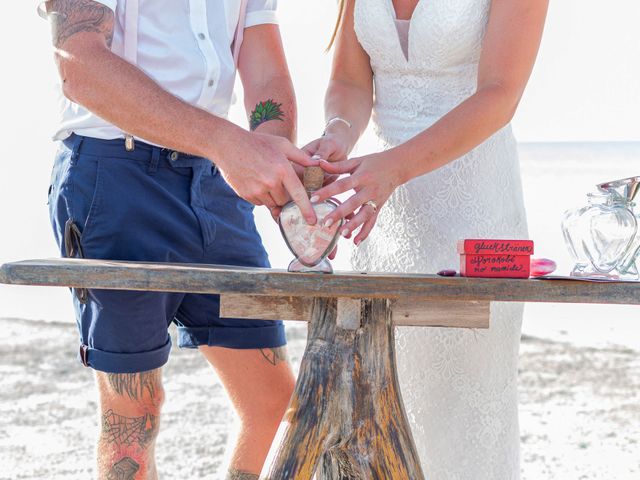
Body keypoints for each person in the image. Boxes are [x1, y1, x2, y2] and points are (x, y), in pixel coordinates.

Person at [41, 0, 315, 478]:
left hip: (218, 180)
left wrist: (269, 155)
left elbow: (266, 76)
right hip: (117, 175)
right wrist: (228, 144)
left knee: (272, 402)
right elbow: (79, 65)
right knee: (134, 418)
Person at [305, 0, 548, 478]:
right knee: (375, 395)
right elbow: (352, 84)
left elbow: (500, 94)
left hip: (473, 206)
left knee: (466, 401)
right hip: (380, 209)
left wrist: (395, 167)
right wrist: (337, 134)